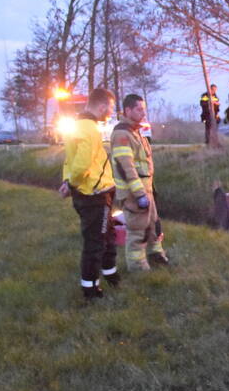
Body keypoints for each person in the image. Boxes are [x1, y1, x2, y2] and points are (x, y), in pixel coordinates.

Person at [59, 87, 118, 300]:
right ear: (102, 106)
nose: (110, 112)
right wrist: (73, 183)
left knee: (108, 236)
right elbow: (82, 163)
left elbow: (69, 159)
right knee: (96, 242)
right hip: (95, 194)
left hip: (91, 192)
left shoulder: (76, 127)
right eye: (110, 108)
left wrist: (68, 182)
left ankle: (111, 274)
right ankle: (91, 290)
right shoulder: (91, 129)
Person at [111, 93, 169, 271]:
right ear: (128, 110)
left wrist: (148, 190)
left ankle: (155, 255)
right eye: (139, 109)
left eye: (144, 109)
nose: (143, 113)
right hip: (134, 193)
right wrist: (138, 194)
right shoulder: (122, 134)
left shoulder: (135, 132)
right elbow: (127, 167)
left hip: (146, 190)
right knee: (137, 231)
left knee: (153, 226)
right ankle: (138, 267)